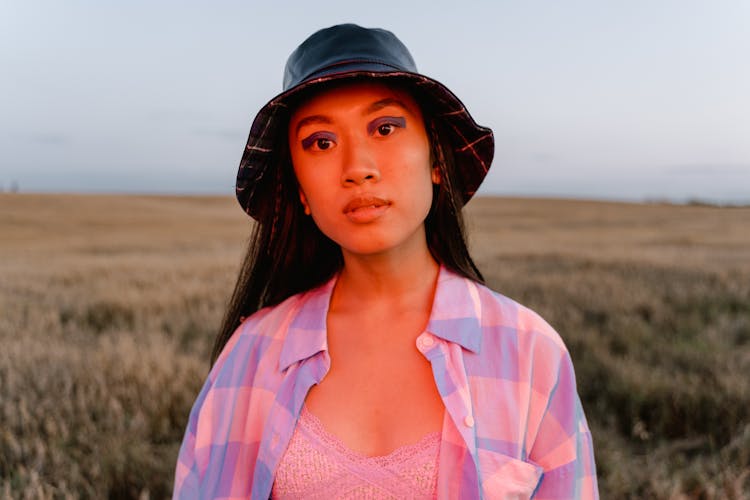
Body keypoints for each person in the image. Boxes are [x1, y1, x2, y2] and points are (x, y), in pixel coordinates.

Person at [173, 24, 598, 499]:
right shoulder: (250, 355)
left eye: (385, 128)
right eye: (320, 142)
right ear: (301, 192)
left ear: (436, 160)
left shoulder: (530, 351)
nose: (358, 167)